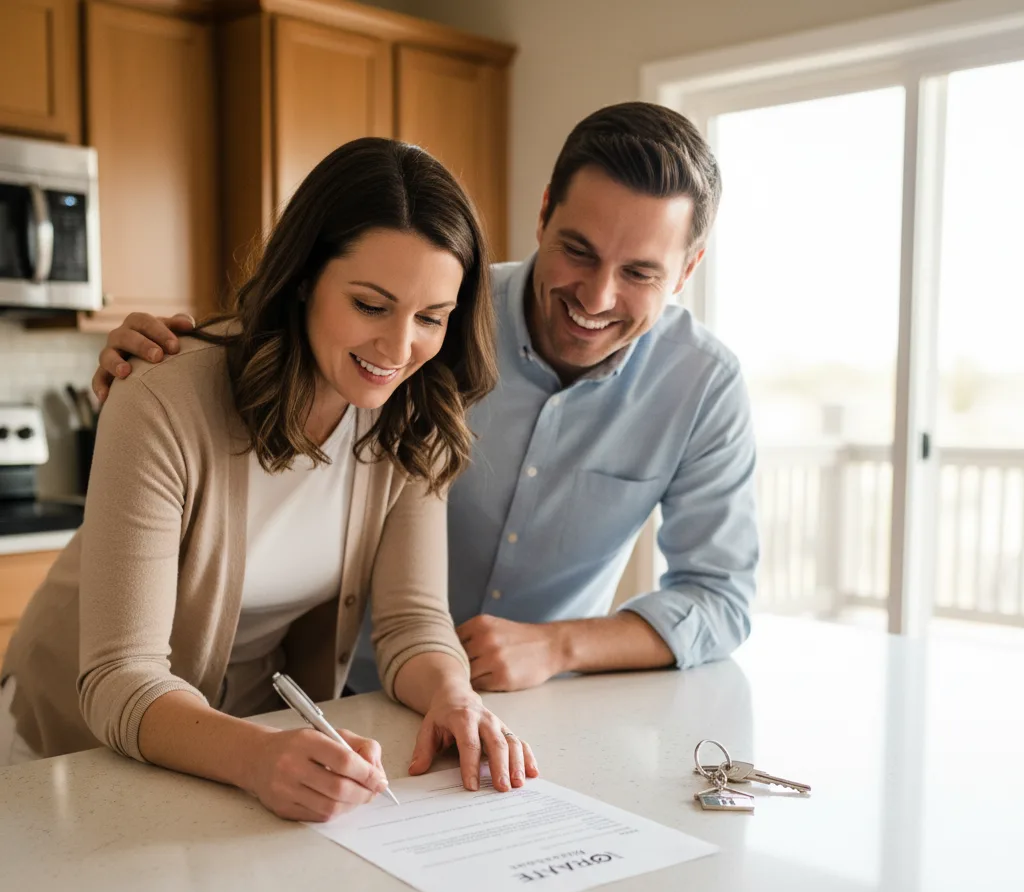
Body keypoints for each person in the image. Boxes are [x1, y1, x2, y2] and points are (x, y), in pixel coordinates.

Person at [91, 102, 759, 697]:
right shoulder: (438, 325)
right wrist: (167, 363)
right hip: (346, 688)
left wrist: (560, 646)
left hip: (536, 702)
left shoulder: (702, 386)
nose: (596, 297)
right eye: (577, 252)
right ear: (544, 210)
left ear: (687, 270)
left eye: (640, 272)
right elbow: (289, 338)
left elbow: (722, 598)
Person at [0, 138, 539, 816]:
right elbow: (118, 675)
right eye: (371, 305)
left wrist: (454, 697)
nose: (400, 350)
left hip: (243, 744)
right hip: (73, 744)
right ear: (306, 276)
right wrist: (254, 758)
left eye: (431, 318)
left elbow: (411, 623)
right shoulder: (164, 397)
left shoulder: (414, 416)